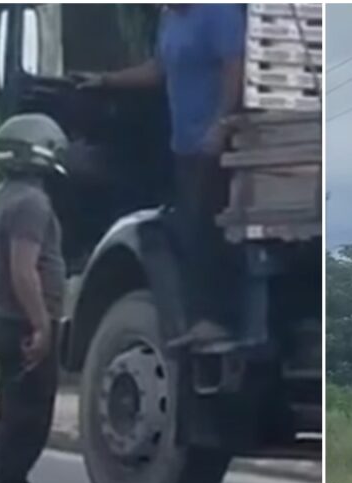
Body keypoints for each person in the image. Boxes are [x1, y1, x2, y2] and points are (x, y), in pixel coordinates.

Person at [77, 4, 246, 346]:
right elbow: (159, 69)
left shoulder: (219, 13)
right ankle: (195, 318)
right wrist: (106, 80)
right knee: (187, 231)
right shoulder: (171, 19)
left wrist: (222, 124)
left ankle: (216, 319)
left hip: (213, 145)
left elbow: (235, 70)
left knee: (208, 228)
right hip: (183, 145)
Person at [0, 114, 68, 483]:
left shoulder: (0, 196)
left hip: (1, 318)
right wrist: (41, 322)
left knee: (13, 418)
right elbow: (23, 269)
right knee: (26, 422)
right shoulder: (32, 203)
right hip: (21, 321)